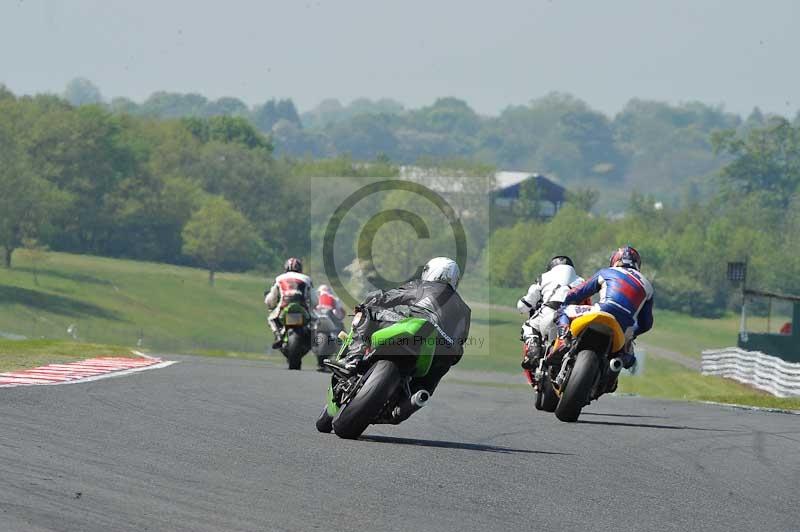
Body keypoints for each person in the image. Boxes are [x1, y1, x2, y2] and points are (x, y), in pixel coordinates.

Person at [338, 257, 471, 423]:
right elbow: (460, 342)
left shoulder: (422, 286)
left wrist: (369, 302)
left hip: (415, 330)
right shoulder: (466, 310)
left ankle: (353, 358)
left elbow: (389, 297)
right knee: (435, 374)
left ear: (431, 272)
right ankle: (407, 403)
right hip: (442, 351)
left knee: (367, 313)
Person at [556, 246, 654, 369]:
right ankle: (619, 361)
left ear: (615, 260)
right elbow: (646, 324)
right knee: (629, 358)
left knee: (563, 310)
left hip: (601, 310)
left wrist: (568, 301)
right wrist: (632, 333)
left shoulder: (607, 272)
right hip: (624, 325)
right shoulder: (648, 286)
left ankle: (562, 339)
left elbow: (576, 293)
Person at [517, 256, 584, 370]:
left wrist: (522, 304)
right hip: (575, 315)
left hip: (551, 310)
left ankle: (533, 351)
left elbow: (524, 306)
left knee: (528, 326)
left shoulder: (544, 277)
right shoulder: (581, 280)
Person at [264, 257, 317, 349]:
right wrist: (312, 307)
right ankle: (314, 339)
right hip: (302, 309)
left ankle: (278, 336)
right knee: (315, 320)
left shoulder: (279, 278)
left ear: (286, 268)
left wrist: (271, 306)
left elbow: (271, 299)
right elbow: (314, 300)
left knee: (271, 319)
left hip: (283, 308)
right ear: (300, 268)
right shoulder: (307, 279)